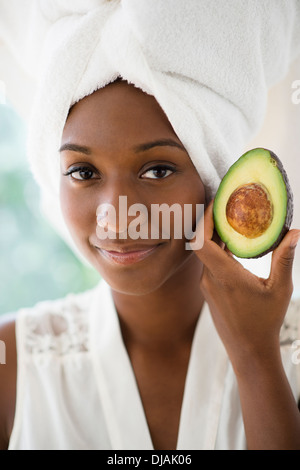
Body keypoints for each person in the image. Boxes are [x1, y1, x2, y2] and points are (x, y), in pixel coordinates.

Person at [0, 0, 300, 450]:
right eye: (83, 172)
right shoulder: (11, 368)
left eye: (158, 170)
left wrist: (257, 359)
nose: (118, 216)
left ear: (216, 175)